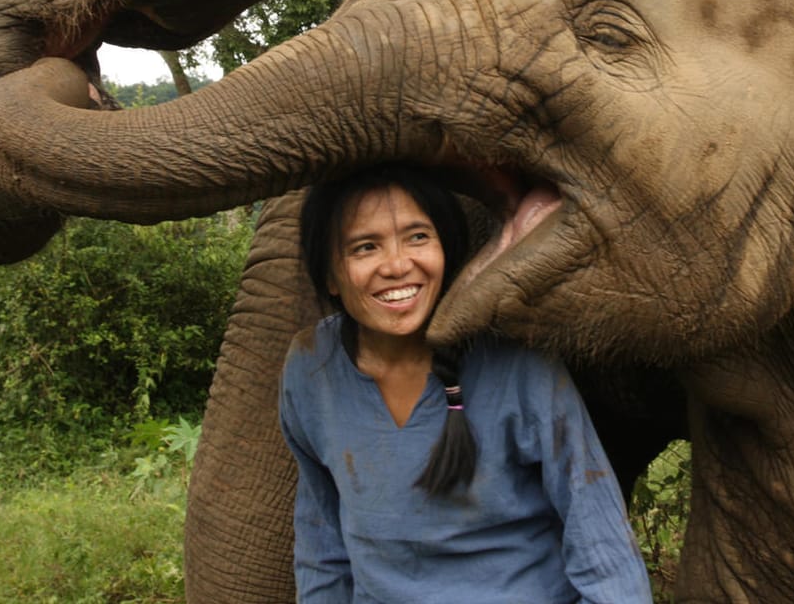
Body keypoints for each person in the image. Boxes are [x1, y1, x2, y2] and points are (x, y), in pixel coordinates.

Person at [278, 162, 652, 603]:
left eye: (418, 237)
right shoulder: (311, 370)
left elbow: (600, 542)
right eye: (365, 247)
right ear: (329, 277)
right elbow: (322, 548)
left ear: (448, 249)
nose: (398, 266)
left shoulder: (516, 364)